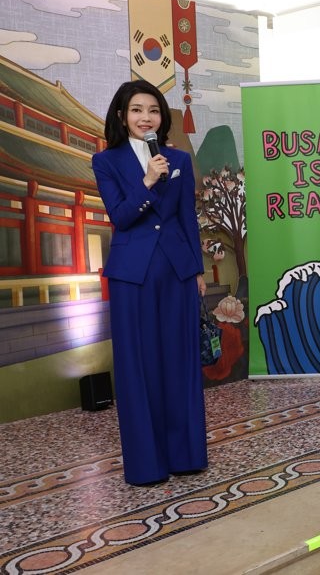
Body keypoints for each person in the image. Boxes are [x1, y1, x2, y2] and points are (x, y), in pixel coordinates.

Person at [92, 80, 208, 486]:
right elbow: (121, 217)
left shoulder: (178, 158)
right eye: (138, 110)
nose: (146, 117)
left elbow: (186, 218)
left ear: (162, 117)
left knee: (180, 361)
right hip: (132, 275)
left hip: (176, 270)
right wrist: (147, 181)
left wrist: (197, 269)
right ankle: (147, 465)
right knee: (137, 367)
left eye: (154, 110)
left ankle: (186, 454)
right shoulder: (106, 162)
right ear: (123, 117)